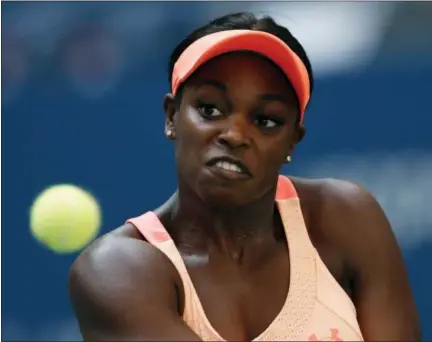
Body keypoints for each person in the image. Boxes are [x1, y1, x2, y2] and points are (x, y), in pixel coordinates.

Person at [68, 12, 421, 341]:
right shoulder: (116, 269)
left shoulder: (348, 217)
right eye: (210, 109)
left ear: (291, 142)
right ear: (172, 117)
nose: (235, 134)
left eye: (266, 120)